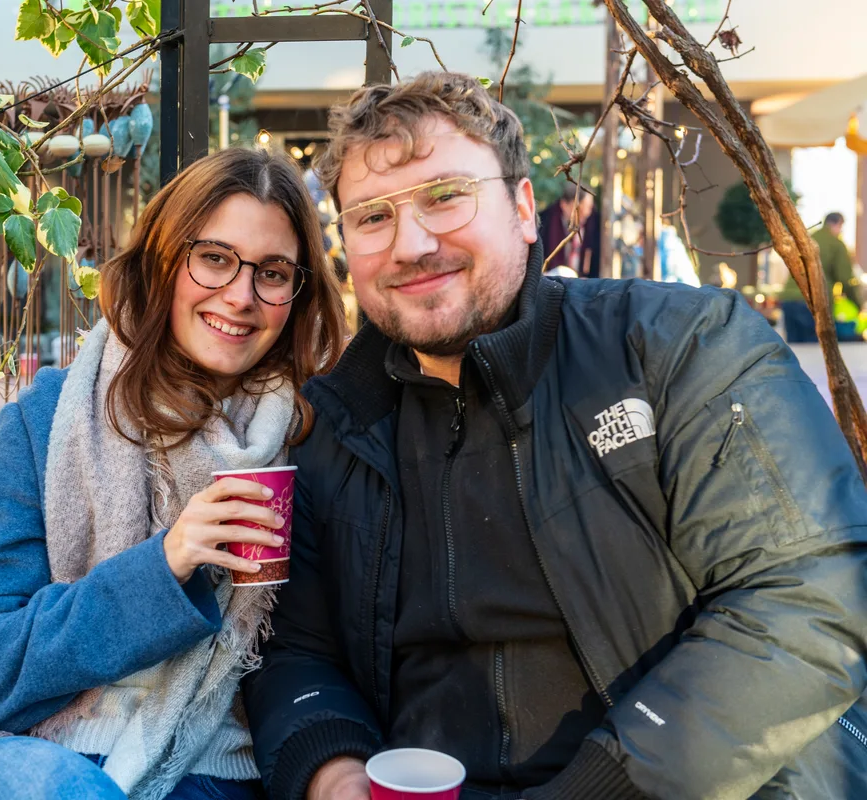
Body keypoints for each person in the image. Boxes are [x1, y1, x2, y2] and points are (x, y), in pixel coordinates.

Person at [243, 72, 867, 800]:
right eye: (372, 217)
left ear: (524, 208)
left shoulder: (679, 349)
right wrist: (334, 770)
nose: (411, 243)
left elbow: (804, 594)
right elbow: (293, 651)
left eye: (445, 197)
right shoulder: (331, 427)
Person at [0, 148, 345, 800]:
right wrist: (162, 568)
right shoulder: (47, 420)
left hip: (208, 769)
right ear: (163, 259)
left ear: (297, 294)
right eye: (214, 258)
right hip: (30, 765)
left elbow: (314, 666)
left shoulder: (306, 439)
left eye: (272, 273)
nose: (241, 296)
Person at [779, 211, 858, 343]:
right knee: (814, 351)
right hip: (812, 300)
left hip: (788, 299)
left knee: (794, 350)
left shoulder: (807, 238)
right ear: (838, 224)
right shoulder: (836, 244)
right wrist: (858, 303)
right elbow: (846, 278)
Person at [538, 183, 599, 278]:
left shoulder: (593, 223)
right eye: (582, 208)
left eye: (589, 207)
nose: (587, 213)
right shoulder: (545, 223)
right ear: (564, 205)